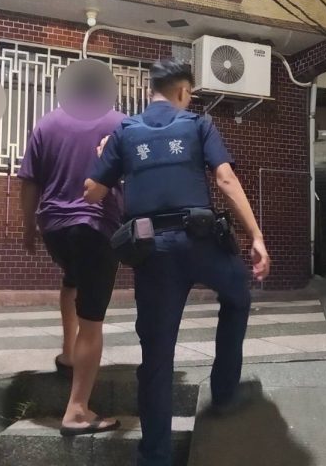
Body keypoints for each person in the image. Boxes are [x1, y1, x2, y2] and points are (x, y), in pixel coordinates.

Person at [84, 58, 271, 466]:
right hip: (202, 243)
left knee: (157, 356)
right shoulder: (199, 124)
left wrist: (104, 156)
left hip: (152, 252)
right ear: (184, 91)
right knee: (238, 294)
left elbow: (92, 192)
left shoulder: (124, 132)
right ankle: (224, 392)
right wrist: (256, 236)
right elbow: (225, 179)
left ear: (150, 89)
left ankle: (155, 456)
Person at [17, 98, 125, 437]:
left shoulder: (47, 123)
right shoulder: (120, 122)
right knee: (92, 319)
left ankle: (68, 354)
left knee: (72, 280)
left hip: (54, 227)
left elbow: (29, 181)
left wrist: (27, 227)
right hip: (95, 225)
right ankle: (77, 411)